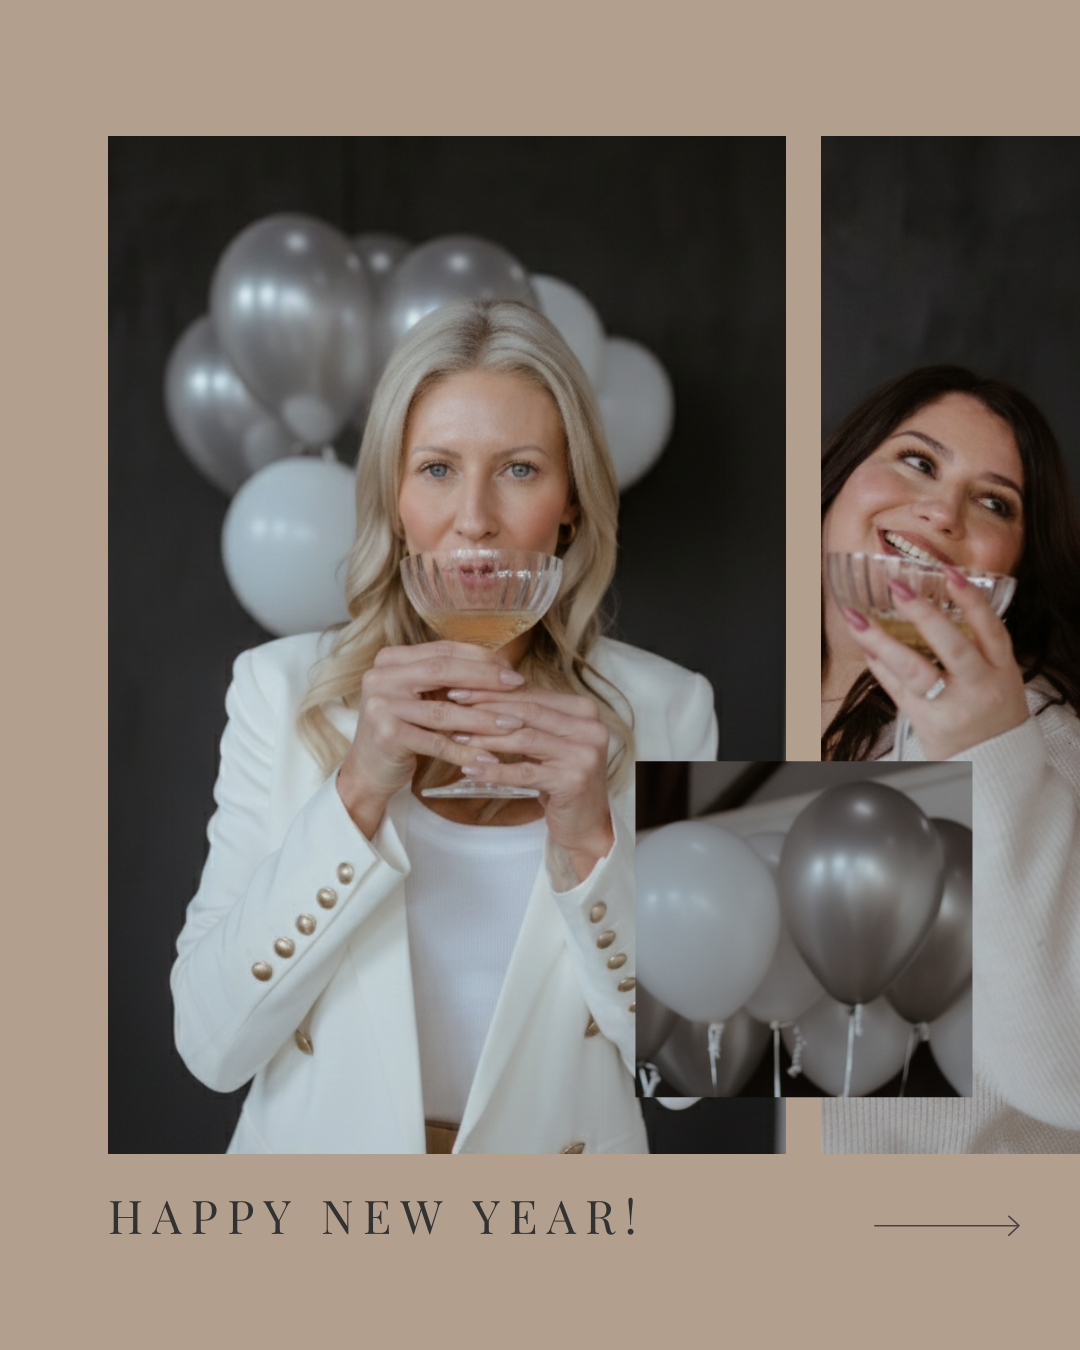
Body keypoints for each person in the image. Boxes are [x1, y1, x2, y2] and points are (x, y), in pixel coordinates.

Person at [171, 299, 718, 1154]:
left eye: (520, 470)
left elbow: (695, 1074)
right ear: (393, 498)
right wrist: (357, 789)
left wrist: (590, 843)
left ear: (571, 504)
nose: (475, 520)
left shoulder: (669, 709)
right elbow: (208, 1047)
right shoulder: (280, 692)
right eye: (435, 469)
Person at [819, 366, 1080, 1152]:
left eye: (994, 502)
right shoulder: (723, 698)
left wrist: (994, 758)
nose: (940, 511)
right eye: (917, 461)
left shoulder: (1042, 738)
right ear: (838, 479)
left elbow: (1067, 1079)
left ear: (1011, 571)